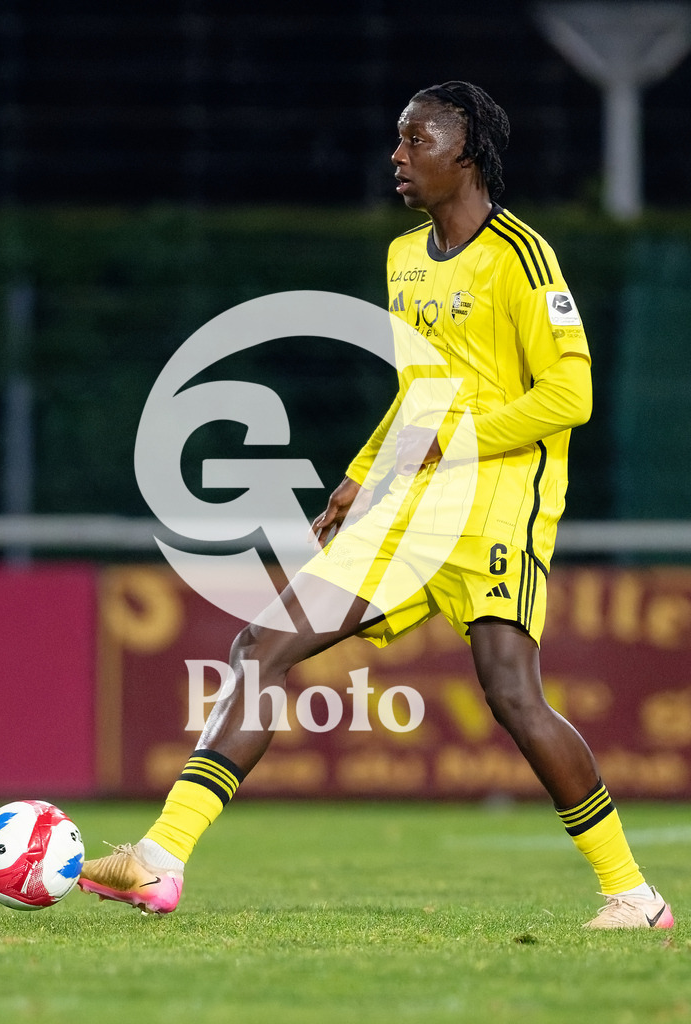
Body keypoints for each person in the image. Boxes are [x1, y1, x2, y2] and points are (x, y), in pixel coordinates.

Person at [79, 81, 672, 930]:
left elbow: (569, 395)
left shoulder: (523, 258)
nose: (397, 156)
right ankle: (160, 858)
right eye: (397, 140)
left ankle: (634, 896)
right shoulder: (401, 259)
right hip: (418, 501)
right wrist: (363, 472)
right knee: (262, 642)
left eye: (416, 140)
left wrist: (454, 442)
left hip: (502, 503)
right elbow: (419, 392)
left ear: (466, 152)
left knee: (511, 694)